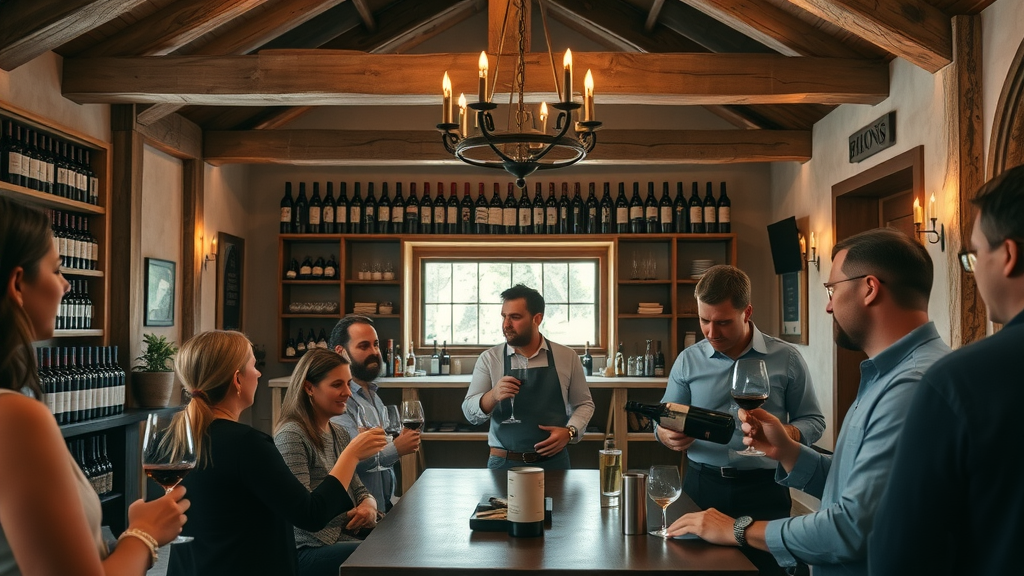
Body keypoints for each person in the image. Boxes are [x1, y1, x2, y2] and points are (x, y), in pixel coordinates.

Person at [669, 228, 950, 576]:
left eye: (832, 289)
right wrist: (786, 450)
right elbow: (851, 485)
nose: (829, 304)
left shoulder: (911, 386)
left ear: (869, 288)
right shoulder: (888, 374)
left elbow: (850, 527)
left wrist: (737, 528)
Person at [0, 196, 188, 576]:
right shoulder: (15, 416)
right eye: (56, 270)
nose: (67, 286)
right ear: (18, 283)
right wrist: (144, 534)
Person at [869, 166, 1024, 575]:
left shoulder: (960, 382)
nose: (973, 273)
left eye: (973, 255)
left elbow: (899, 554)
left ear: (1008, 256)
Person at [166, 330, 386, 576]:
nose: (259, 372)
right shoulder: (247, 444)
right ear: (237, 380)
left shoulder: (175, 441)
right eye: (253, 364)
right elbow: (310, 515)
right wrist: (351, 455)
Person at [655, 264, 824, 575]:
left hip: (765, 489)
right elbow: (665, 418)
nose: (711, 332)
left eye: (722, 322)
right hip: (701, 487)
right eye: (704, 320)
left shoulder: (786, 358)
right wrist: (666, 434)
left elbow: (813, 421)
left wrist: (783, 434)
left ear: (747, 312)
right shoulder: (688, 360)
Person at [462, 284, 595, 470]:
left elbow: (584, 404)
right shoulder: (489, 359)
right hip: (503, 463)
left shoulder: (567, 356)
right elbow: (469, 413)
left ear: (537, 318)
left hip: (554, 463)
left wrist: (570, 432)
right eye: (504, 316)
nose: (506, 324)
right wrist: (492, 396)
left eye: (515, 317)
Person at [275, 348, 378, 576]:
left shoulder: (338, 432)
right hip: (308, 548)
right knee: (383, 556)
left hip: (345, 537)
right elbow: (300, 517)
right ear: (309, 387)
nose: (348, 393)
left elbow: (359, 489)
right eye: (337, 385)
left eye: (348, 384)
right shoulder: (291, 435)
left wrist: (369, 506)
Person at [329, 315, 420, 511]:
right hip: (358, 514)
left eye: (376, 345)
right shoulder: (338, 400)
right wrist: (397, 448)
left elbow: (378, 450)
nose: (374, 352)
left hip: (384, 508)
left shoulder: (373, 395)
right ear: (341, 352)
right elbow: (352, 460)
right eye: (364, 346)